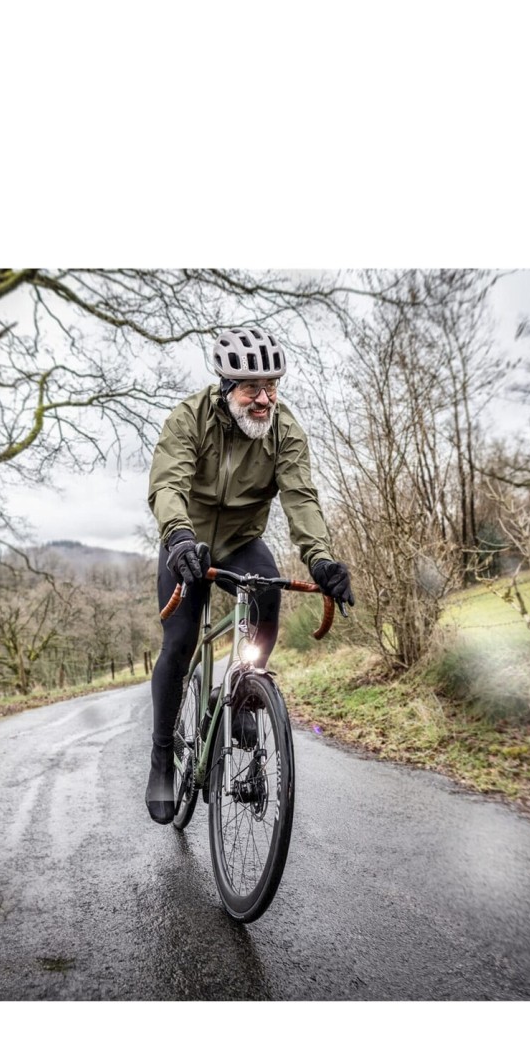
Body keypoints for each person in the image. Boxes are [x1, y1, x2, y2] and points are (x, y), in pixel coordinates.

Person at [144, 325, 354, 822]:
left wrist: (321, 559)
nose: (264, 399)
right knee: (179, 643)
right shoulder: (189, 419)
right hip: (187, 542)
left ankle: (241, 694)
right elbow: (168, 483)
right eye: (251, 388)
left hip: (241, 542)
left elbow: (301, 498)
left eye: (271, 387)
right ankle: (161, 757)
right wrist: (177, 535)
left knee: (267, 597)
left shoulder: (285, 431)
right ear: (226, 387)